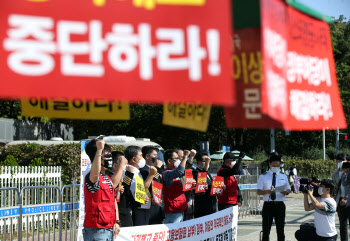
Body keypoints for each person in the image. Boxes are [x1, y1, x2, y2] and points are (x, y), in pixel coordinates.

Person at [83, 139, 121, 241]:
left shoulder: (107, 177)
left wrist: (117, 222)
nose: (110, 159)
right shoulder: (92, 176)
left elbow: (112, 200)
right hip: (96, 230)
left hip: (108, 229)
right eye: (106, 156)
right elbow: (94, 174)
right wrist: (99, 150)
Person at [257, 152, 290, 241]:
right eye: (274, 165)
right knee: (266, 230)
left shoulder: (283, 176)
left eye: (278, 166)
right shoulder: (263, 176)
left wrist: (285, 192)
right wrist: (266, 191)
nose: (276, 167)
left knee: (280, 230)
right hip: (268, 205)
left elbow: (288, 190)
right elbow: (258, 191)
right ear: (269, 164)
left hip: (280, 204)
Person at [124, 145, 156, 226]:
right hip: (138, 210)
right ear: (134, 159)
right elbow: (141, 192)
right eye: (141, 156)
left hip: (144, 209)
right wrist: (151, 175)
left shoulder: (137, 171)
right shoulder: (130, 172)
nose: (143, 158)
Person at [162, 149, 195, 223]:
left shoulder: (176, 173)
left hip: (180, 208)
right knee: (172, 232)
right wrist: (185, 156)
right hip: (173, 211)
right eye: (176, 158)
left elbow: (186, 168)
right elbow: (180, 171)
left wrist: (191, 184)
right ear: (169, 161)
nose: (178, 160)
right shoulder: (167, 173)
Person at [139, 145, 164, 225]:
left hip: (158, 206)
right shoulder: (144, 170)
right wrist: (158, 168)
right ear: (147, 156)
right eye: (154, 155)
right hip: (150, 207)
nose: (157, 158)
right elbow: (154, 183)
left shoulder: (155, 169)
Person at [192, 152, 217, 218]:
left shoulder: (208, 173)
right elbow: (202, 181)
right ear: (199, 162)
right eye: (205, 161)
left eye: (208, 161)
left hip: (211, 204)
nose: (207, 163)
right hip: (202, 206)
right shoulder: (195, 172)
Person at [332, 153, 350, 241]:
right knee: (342, 226)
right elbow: (334, 188)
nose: (340, 162)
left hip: (348, 200)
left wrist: (346, 198)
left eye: (342, 160)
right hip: (340, 201)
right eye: (338, 160)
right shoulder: (334, 174)